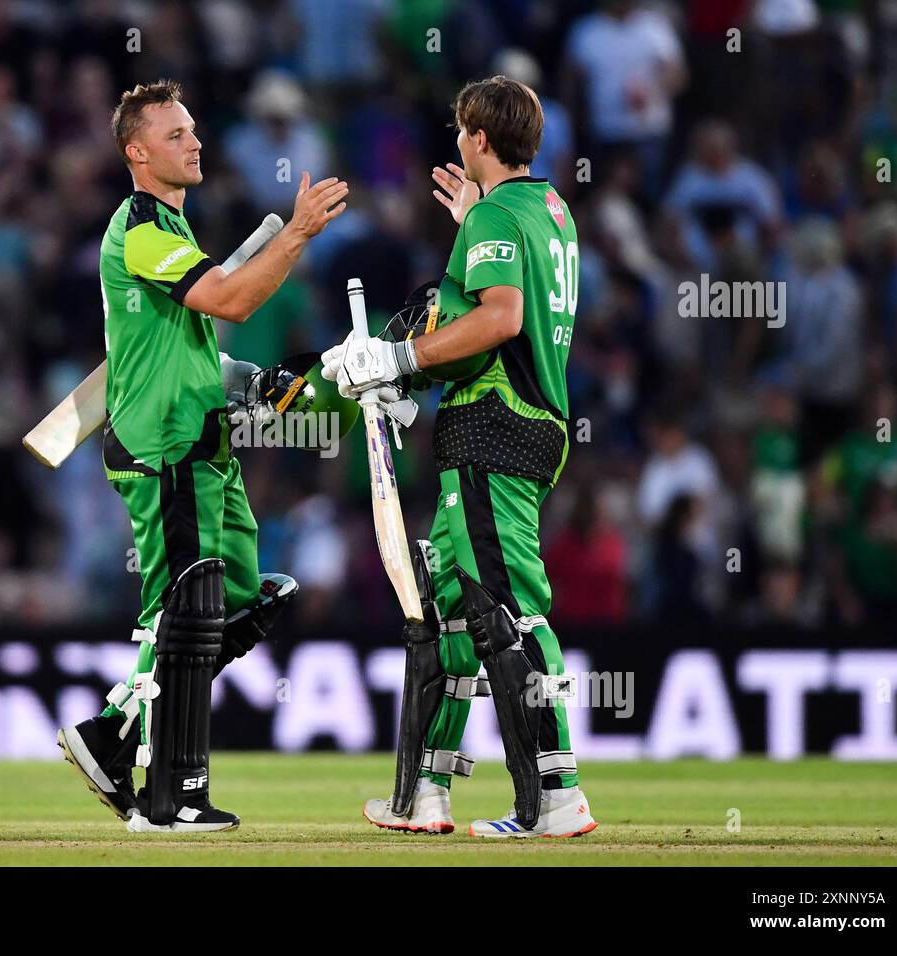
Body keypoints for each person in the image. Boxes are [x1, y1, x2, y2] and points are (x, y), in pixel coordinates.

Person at [56, 80, 347, 832]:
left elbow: (195, 353)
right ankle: (170, 797)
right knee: (187, 613)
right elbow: (232, 302)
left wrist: (255, 382)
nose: (195, 142)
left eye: (193, 130)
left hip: (207, 443)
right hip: (164, 448)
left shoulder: (177, 236)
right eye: (176, 133)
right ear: (137, 151)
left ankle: (114, 733)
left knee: (251, 601)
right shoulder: (141, 230)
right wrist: (297, 235)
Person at [323, 75, 596, 838]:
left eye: (460, 133)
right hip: (527, 423)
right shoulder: (549, 211)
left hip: (493, 426)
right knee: (446, 610)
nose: (456, 143)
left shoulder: (497, 218)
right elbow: (509, 299)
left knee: (508, 608)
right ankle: (427, 796)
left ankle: (554, 795)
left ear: (477, 139)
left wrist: (399, 358)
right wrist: (474, 224)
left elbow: (501, 318)